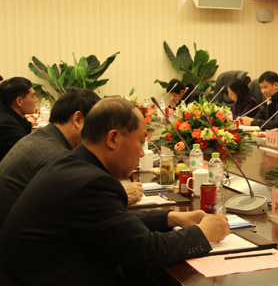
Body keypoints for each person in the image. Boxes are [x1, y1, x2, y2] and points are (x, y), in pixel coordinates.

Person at [0, 98, 229, 285]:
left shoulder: (70, 162)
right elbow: (145, 251)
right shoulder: (91, 183)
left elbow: (111, 223)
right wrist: (203, 233)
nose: (142, 153)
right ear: (113, 139)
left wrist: (171, 218)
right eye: (140, 142)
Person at [0, 88, 104, 229]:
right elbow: (77, 207)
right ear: (77, 119)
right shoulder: (55, 156)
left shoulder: (42, 137)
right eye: (95, 124)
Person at [0, 77, 38, 161]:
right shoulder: (7, 126)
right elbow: (29, 155)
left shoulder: (8, 114)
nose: (36, 100)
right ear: (19, 101)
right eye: (33, 96)